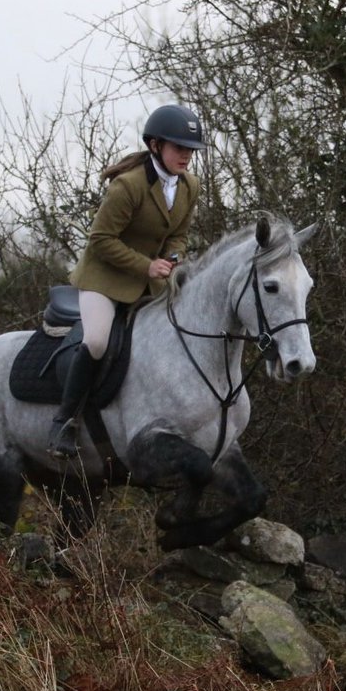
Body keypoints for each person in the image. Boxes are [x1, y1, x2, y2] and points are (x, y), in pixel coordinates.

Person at [47, 103, 206, 458]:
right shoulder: (129, 186)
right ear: (155, 146)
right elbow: (100, 240)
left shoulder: (189, 186)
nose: (186, 156)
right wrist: (147, 266)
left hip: (150, 281)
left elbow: (179, 234)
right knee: (99, 341)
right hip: (103, 278)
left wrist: (172, 259)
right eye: (179, 148)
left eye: (190, 150)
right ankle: (64, 421)